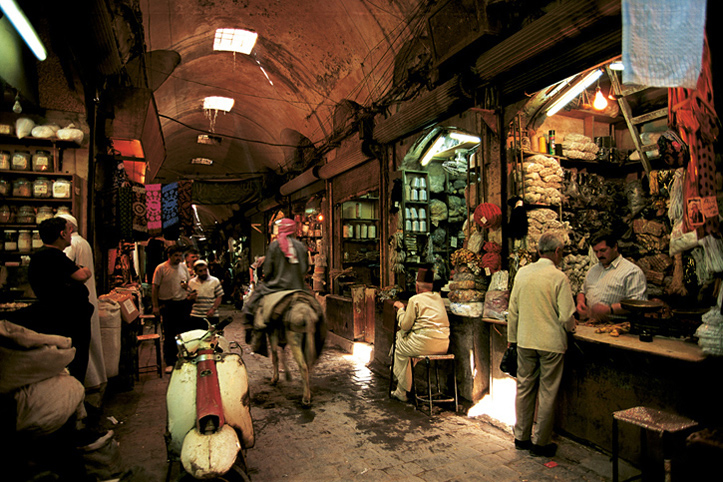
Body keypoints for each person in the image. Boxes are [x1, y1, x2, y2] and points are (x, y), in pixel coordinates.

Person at [507, 232, 576, 458]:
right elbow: (567, 317)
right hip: (551, 344)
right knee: (547, 392)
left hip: (525, 340)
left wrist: (512, 340)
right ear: (557, 252)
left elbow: (513, 311)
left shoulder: (523, 273)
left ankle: (521, 437)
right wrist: (572, 330)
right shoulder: (558, 277)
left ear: (538, 251)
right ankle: (541, 442)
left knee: (524, 388)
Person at [28, 217, 94, 383]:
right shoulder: (54, 256)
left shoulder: (38, 257)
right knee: (76, 360)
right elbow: (82, 275)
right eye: (68, 230)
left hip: (55, 317)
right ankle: (75, 396)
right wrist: (84, 270)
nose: (70, 234)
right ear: (62, 233)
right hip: (68, 320)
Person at [55, 213, 107, 391]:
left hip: (76, 301)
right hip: (86, 298)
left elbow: (63, 269)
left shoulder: (71, 245)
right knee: (88, 344)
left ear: (66, 230)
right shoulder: (83, 242)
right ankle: (94, 380)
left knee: (79, 347)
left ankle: (81, 385)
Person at [390, 268, 450, 402]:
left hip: (423, 345)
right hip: (443, 345)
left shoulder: (414, 300)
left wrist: (400, 310)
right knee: (409, 354)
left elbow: (405, 325)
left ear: (417, 287)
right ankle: (400, 387)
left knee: (399, 339)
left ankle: (399, 384)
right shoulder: (439, 298)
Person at [242, 218, 309, 325]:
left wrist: (269, 278)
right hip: (298, 287)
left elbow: (268, 270)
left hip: (277, 286)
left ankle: (249, 325)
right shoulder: (301, 247)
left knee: (253, 301)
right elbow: (304, 268)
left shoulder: (274, 246)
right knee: (316, 307)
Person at [575, 229, 647, 322]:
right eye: (596, 252)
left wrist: (610, 309)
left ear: (615, 247)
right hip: (591, 324)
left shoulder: (632, 272)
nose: (599, 255)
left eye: (603, 250)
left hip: (618, 327)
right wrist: (580, 302)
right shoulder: (593, 270)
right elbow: (583, 291)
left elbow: (638, 304)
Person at [152, 245, 192, 371]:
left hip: (182, 303)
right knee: (169, 333)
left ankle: (183, 357)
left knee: (183, 332)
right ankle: (170, 361)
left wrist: (187, 288)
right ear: (169, 256)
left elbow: (189, 283)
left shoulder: (184, 267)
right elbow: (155, 288)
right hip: (167, 304)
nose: (178, 258)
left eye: (180, 256)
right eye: (176, 255)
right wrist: (155, 306)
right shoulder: (161, 268)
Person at [187, 259, 224, 327]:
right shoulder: (192, 282)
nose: (204, 273)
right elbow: (188, 297)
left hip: (211, 316)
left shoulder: (214, 281)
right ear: (196, 272)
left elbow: (219, 296)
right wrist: (191, 297)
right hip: (196, 315)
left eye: (205, 270)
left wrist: (213, 309)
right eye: (200, 271)